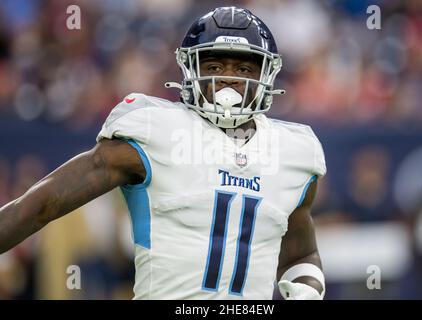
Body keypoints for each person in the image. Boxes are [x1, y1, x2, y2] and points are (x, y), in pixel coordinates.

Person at [0, 7, 327, 300]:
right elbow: (42, 204)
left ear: (266, 75)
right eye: (214, 65)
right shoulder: (155, 129)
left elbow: (301, 254)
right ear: (190, 69)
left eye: (243, 69)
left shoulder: (292, 152)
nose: (229, 79)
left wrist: (307, 289)